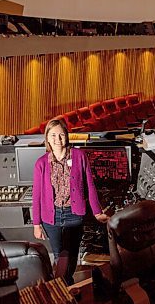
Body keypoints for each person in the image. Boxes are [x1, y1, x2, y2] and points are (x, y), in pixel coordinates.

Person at [32, 119, 109, 285]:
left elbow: (90, 186)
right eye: (53, 135)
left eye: (61, 134)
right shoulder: (41, 163)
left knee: (71, 253)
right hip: (51, 217)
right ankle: (65, 285)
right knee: (59, 253)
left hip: (73, 213)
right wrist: (36, 224)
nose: (57, 139)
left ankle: (65, 283)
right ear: (47, 138)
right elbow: (36, 195)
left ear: (66, 136)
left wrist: (97, 212)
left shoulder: (79, 156)